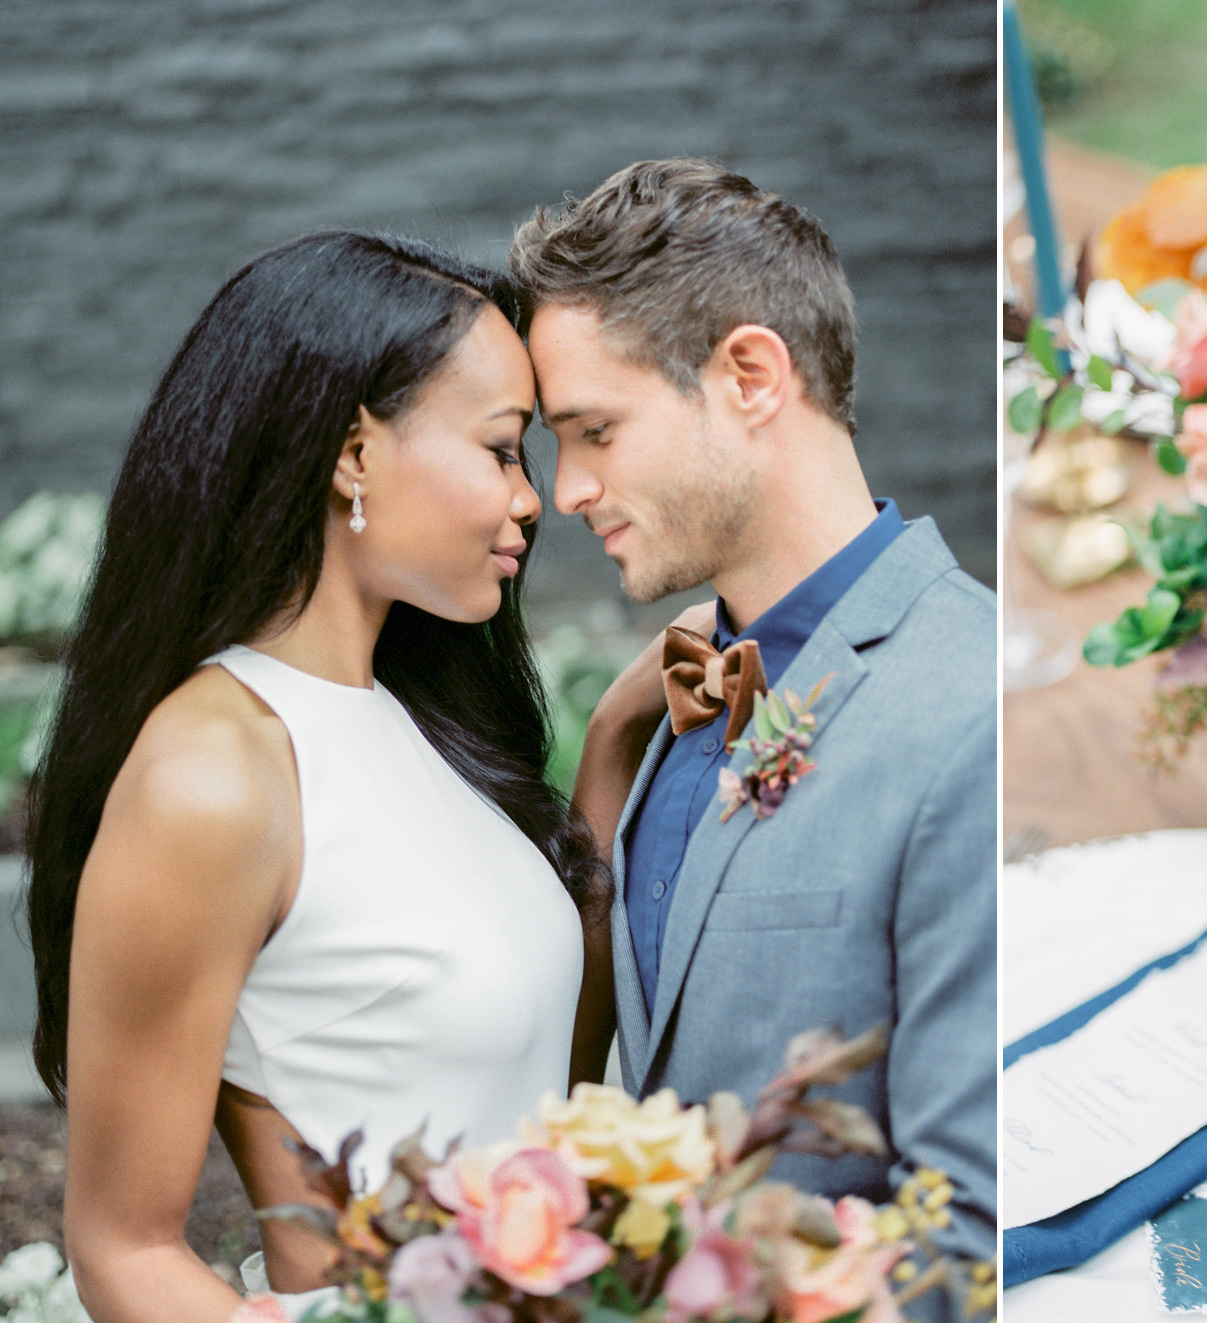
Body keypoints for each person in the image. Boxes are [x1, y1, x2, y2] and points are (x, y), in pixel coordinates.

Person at [22, 233, 597, 1320]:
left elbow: (543, 1082)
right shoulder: (214, 775)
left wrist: (617, 739)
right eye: (503, 449)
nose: (532, 501)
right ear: (351, 454)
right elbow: (122, 1250)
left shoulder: (420, 727)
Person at [509, 160, 997, 1268]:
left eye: (593, 431)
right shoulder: (665, 701)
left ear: (749, 375)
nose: (567, 490)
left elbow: (971, 1240)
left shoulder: (968, 717)